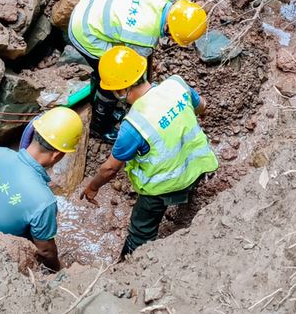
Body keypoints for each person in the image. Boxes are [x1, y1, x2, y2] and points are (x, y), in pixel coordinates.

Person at [80, 46, 218, 259]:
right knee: (187, 182)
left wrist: (92, 187)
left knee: (141, 230)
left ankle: (130, 263)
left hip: (163, 186)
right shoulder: (176, 84)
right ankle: (187, 198)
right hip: (199, 165)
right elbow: (202, 107)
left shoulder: (133, 125)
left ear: (121, 90)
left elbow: (109, 169)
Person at [68, 0, 208, 143]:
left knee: (118, 76)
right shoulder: (143, 37)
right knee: (115, 77)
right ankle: (100, 126)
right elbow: (131, 73)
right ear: (169, 28)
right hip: (85, 32)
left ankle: (103, 93)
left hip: (91, 4)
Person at [0, 107, 83, 271]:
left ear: (34, 133)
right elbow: (45, 251)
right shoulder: (44, 201)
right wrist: (58, 270)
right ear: (57, 155)